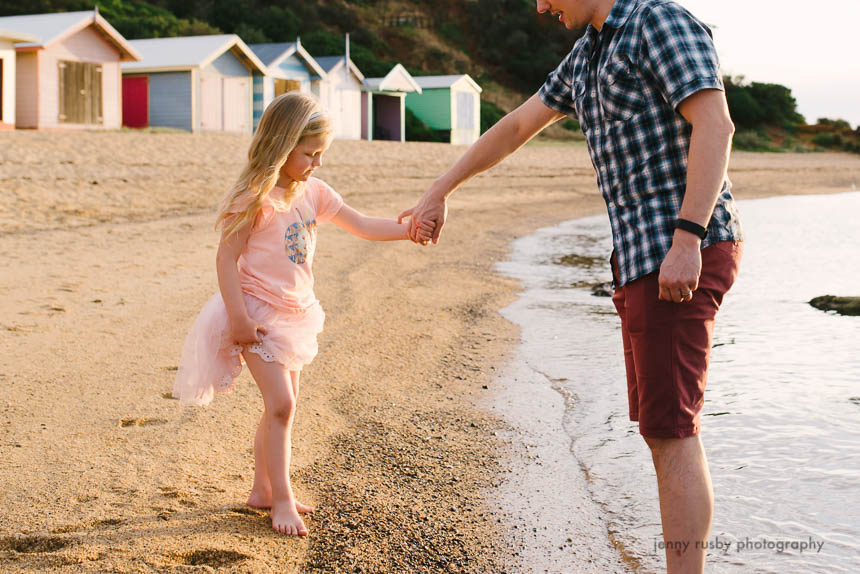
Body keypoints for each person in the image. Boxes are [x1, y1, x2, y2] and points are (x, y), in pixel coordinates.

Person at [400, 0, 743, 571]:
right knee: (662, 431)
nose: (540, 5)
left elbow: (716, 123)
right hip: (640, 259)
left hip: (681, 252)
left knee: (672, 429)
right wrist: (441, 188)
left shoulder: (658, 22)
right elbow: (515, 126)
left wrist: (687, 239)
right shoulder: (588, 54)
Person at [172, 92, 434, 536]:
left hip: (295, 314)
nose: (317, 163)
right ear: (282, 144)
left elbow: (364, 225)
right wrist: (237, 318)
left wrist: (409, 230)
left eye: (320, 154)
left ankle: (262, 489)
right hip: (255, 313)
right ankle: (283, 500)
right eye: (310, 154)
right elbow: (225, 259)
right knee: (282, 406)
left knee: (280, 410)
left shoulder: (314, 191)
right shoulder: (253, 197)